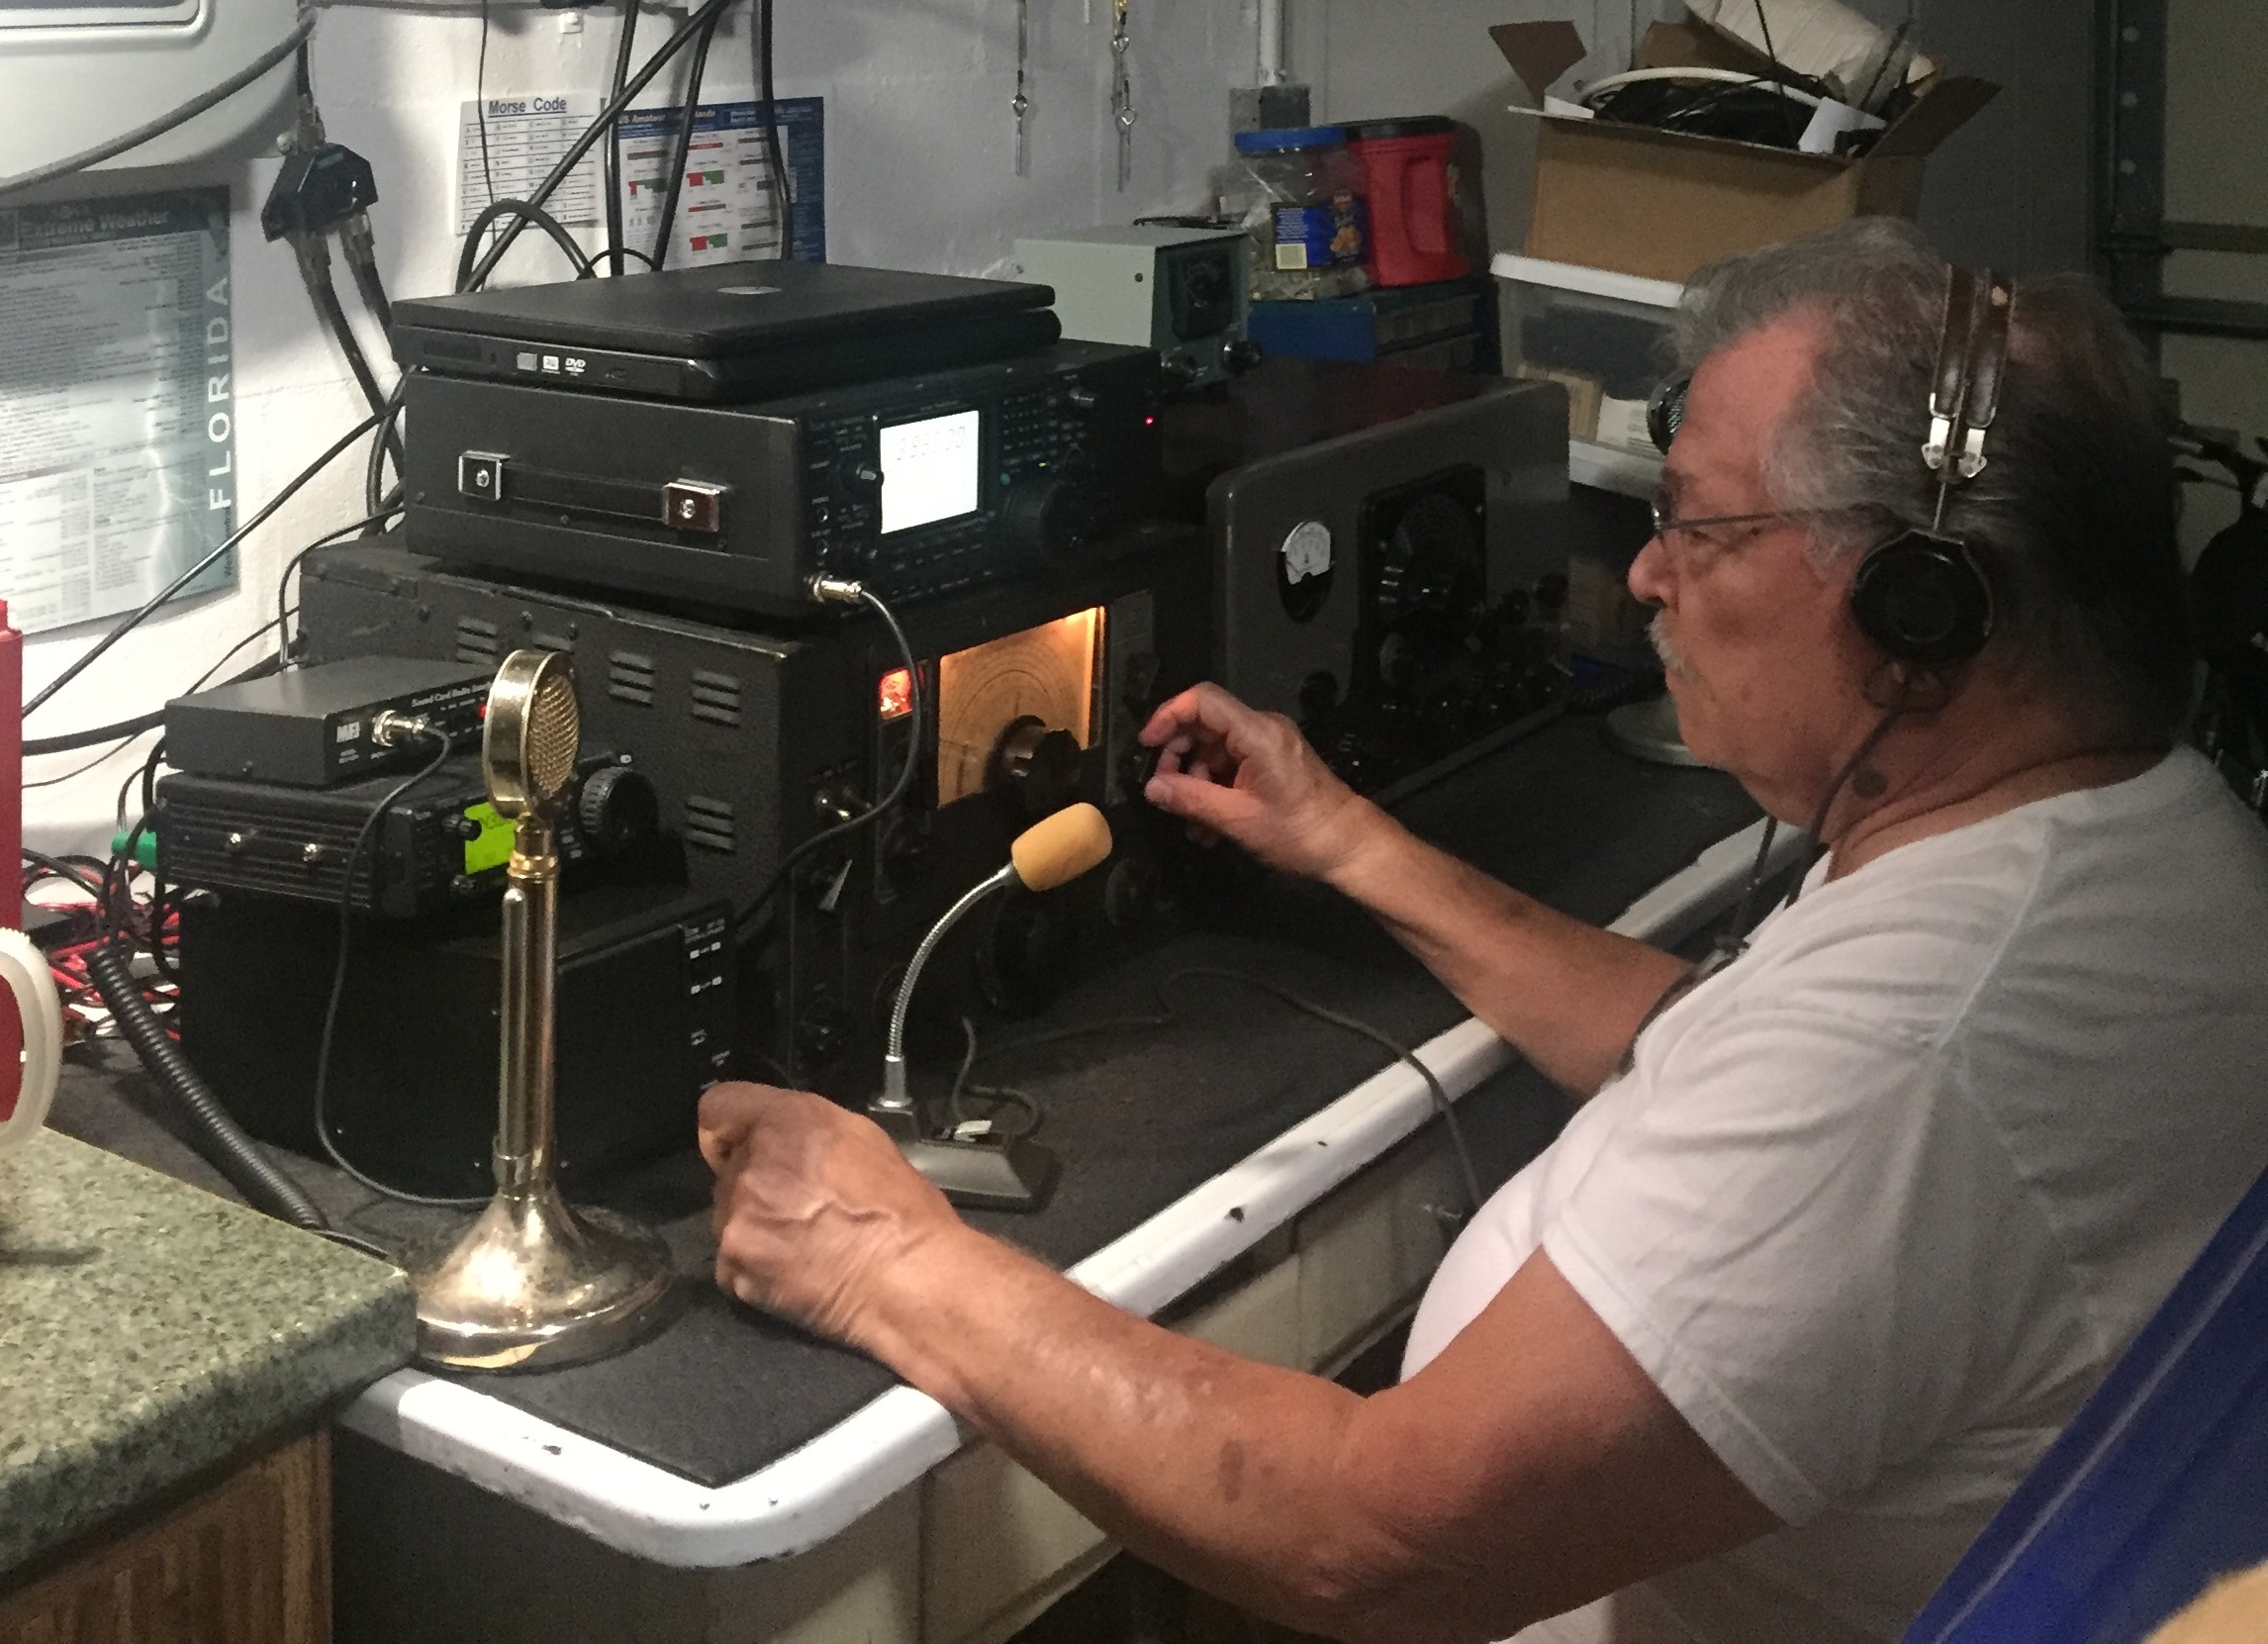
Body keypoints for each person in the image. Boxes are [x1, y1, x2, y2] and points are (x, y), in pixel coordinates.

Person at [698, 219, 2268, 1643]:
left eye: (1700, 526)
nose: (1643, 572)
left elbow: (1370, 1539)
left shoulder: (1915, 1051)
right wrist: (1351, 841)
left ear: (1917, 608)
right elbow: (1700, 1039)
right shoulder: (2143, 841)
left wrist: (889, 1260)